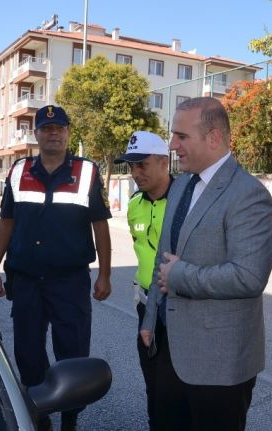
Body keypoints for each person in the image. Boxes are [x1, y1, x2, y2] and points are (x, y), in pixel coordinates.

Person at [139, 97, 272, 431]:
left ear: (213, 137)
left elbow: (249, 276)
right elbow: (163, 254)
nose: (173, 145)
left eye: (181, 137)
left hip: (219, 364)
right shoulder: (182, 184)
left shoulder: (248, 194)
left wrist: (181, 277)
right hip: (168, 348)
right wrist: (151, 316)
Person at [0, 105, 112, 431]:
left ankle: (70, 418)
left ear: (69, 132)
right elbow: (7, 222)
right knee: (28, 353)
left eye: (59, 128)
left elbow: (100, 226)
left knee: (72, 353)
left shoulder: (87, 172)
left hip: (69, 281)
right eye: (46, 128)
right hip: (25, 280)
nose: (53, 133)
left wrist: (106, 274)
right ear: (37, 134)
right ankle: (40, 417)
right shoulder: (18, 170)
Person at [113, 130, 173, 430]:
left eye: (142, 165)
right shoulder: (135, 203)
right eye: (131, 166)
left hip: (177, 308)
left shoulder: (185, 201)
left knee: (176, 385)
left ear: (164, 162)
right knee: (152, 381)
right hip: (145, 305)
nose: (135, 173)